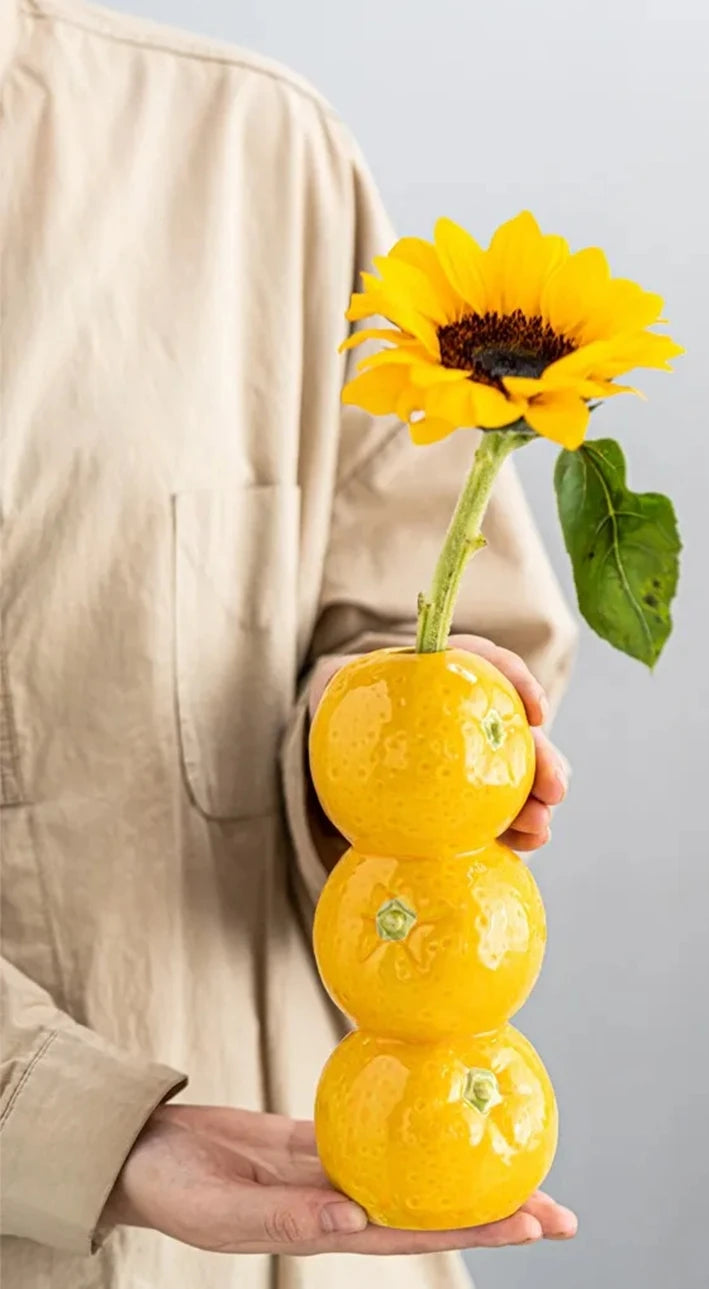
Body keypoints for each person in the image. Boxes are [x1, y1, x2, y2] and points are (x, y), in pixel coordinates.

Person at [0, 1, 580, 1286]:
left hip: (294, 1221)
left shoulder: (250, 149)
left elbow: (400, 596)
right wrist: (72, 1118)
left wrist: (387, 746)